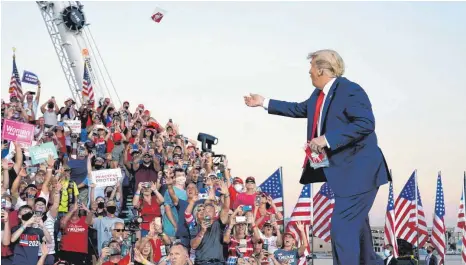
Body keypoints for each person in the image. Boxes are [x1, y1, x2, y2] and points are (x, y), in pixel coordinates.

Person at [244, 49, 390, 265]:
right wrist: (263, 102)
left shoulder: (350, 90)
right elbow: (298, 109)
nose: (309, 72)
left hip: (360, 172)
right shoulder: (318, 95)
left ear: (322, 69)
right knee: (358, 232)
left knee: (342, 229)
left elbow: (365, 124)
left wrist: (327, 139)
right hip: (345, 177)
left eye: (311, 67)